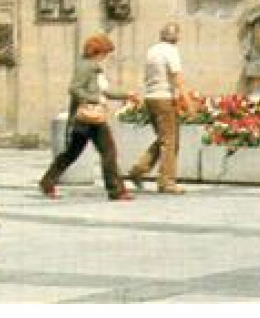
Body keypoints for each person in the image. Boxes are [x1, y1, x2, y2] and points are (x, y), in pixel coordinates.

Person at [38, 34, 134, 202]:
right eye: (105, 53)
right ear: (98, 51)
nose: (106, 57)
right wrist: (93, 99)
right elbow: (74, 89)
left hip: (87, 118)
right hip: (88, 118)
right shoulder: (86, 67)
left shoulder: (93, 67)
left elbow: (105, 92)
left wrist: (126, 95)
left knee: (72, 153)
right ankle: (116, 190)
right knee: (108, 152)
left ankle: (47, 181)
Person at [128, 22, 191, 194]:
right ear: (175, 36)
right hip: (164, 98)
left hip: (151, 98)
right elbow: (177, 77)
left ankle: (138, 170)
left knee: (164, 139)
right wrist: (188, 101)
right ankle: (167, 182)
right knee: (170, 141)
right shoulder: (171, 51)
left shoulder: (152, 51)